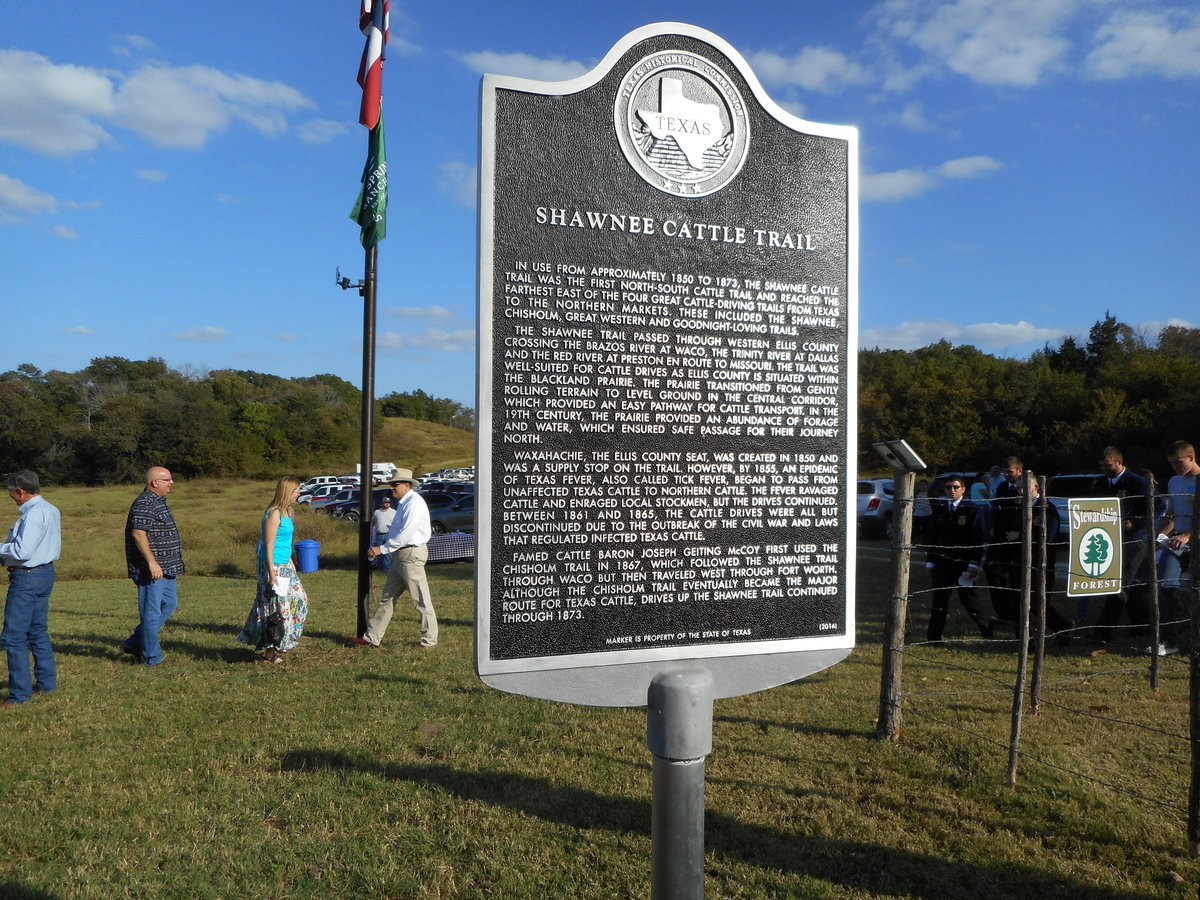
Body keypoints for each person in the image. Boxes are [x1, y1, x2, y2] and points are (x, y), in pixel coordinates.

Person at [352, 468, 437, 648]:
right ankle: (372, 637)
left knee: (420, 599)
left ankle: (429, 640)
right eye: (391, 484)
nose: (392, 487)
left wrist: (381, 549)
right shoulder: (405, 503)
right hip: (401, 554)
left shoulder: (414, 503)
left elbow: (406, 535)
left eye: (395, 484)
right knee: (387, 597)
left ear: (407, 485)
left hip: (410, 553)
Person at [1, 471, 60, 707]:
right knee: (37, 631)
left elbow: (22, 552)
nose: (13, 499)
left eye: (12, 495)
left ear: (20, 491)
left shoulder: (33, 514)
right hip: (45, 574)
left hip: (27, 577)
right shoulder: (50, 509)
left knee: (14, 637)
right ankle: (46, 683)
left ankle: (19, 694)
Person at [237, 477, 309, 663]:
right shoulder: (274, 513)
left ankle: (285, 639)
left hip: (284, 564)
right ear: (287, 492)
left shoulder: (288, 512)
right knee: (273, 608)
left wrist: (291, 561)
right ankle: (271, 650)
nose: (299, 494)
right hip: (272, 565)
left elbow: (286, 542)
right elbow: (268, 545)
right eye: (296, 491)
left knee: (300, 600)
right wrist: (271, 571)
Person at [121, 466, 184, 666]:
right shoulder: (145, 502)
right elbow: (139, 533)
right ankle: (151, 657)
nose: (171, 482)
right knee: (151, 612)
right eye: (167, 479)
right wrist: (152, 563)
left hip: (168, 567)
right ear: (155, 482)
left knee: (170, 603)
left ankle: (135, 642)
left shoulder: (157, 502)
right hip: (153, 570)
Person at [1090, 446, 1151, 642]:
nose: (1105, 470)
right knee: (1132, 585)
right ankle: (1141, 625)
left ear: (1119, 462)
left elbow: (1156, 507)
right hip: (1110, 538)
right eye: (1101, 466)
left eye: (1108, 466)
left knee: (1119, 583)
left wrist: (1135, 523)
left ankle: (1103, 629)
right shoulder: (1099, 483)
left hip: (1134, 539)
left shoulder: (1138, 482)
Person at [925, 477, 995, 641]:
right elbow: (932, 537)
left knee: (969, 600)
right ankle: (933, 637)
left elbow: (977, 539)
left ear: (963, 489)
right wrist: (930, 560)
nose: (952, 490)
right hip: (942, 563)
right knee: (939, 600)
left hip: (964, 562)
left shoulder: (972, 509)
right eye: (948, 487)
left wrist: (974, 564)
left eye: (956, 487)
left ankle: (987, 627)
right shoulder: (940, 509)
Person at [1153, 441, 1200, 656]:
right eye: (1172, 464)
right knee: (1165, 585)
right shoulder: (1174, 481)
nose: (1175, 468)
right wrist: (1160, 533)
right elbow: (1172, 514)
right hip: (1177, 543)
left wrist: (1188, 535)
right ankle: (1169, 641)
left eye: (1179, 463)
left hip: (1194, 541)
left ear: (1191, 457)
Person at [987, 456, 1026, 627]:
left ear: (1019, 471)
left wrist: (1019, 532)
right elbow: (996, 509)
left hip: (1018, 540)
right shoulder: (1002, 487)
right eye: (1005, 471)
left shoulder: (1025, 488)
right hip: (1000, 538)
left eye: (1009, 471)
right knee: (994, 573)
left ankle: (1018, 614)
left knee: (1016, 579)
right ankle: (1004, 613)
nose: (1006, 474)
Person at [370, 495, 396, 571]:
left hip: (388, 534)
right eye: (385, 502)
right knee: (378, 552)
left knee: (388, 553)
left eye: (388, 502)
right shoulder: (377, 512)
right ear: (382, 503)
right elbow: (373, 523)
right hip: (379, 535)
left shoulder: (393, 512)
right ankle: (379, 568)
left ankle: (386, 569)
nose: (387, 504)